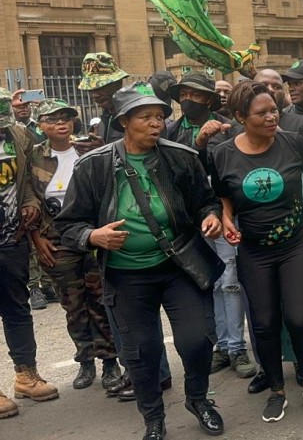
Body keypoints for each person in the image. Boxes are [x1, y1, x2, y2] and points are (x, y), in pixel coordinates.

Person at [56, 83, 224, 439]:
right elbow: (68, 226)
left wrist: (211, 217)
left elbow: (206, 201)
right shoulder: (94, 167)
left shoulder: (181, 157)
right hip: (126, 275)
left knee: (197, 340)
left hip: (178, 267)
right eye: (145, 117)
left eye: (160, 116)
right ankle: (154, 419)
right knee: (141, 352)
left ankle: (198, 400)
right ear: (123, 122)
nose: (156, 124)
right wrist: (93, 236)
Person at [210, 80, 303, 423]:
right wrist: (227, 220)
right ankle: (276, 392)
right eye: (262, 113)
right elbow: (222, 196)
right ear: (240, 116)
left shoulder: (293, 142)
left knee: (298, 318)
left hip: (295, 245)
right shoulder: (223, 153)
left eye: (275, 110)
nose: (272, 118)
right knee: (265, 324)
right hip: (254, 251)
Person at [165, 73, 257, 381]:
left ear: (208, 98)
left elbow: (232, 170)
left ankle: (236, 346)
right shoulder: (171, 131)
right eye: (185, 93)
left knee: (229, 278)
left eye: (197, 94)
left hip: (225, 213)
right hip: (188, 220)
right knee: (204, 282)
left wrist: (208, 143)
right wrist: (197, 144)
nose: (189, 99)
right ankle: (219, 343)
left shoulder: (229, 127)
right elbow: (172, 174)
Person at [27, 99, 121, 392]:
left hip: (91, 234)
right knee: (73, 304)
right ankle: (85, 360)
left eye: (66, 117)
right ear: (41, 125)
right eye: (53, 119)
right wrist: (37, 238)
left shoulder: (88, 149)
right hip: (54, 239)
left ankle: (109, 362)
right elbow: (27, 197)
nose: (61, 123)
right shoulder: (33, 157)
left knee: (100, 300)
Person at [0, 88, 58, 420]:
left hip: (12, 240)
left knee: (17, 309)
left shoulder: (17, 135)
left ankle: (26, 375)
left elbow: (25, 186)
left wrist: (31, 205)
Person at [73, 52, 130, 151]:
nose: (94, 95)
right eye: (90, 89)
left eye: (100, 87)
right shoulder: (105, 117)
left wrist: (104, 151)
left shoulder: (136, 116)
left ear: (118, 83)